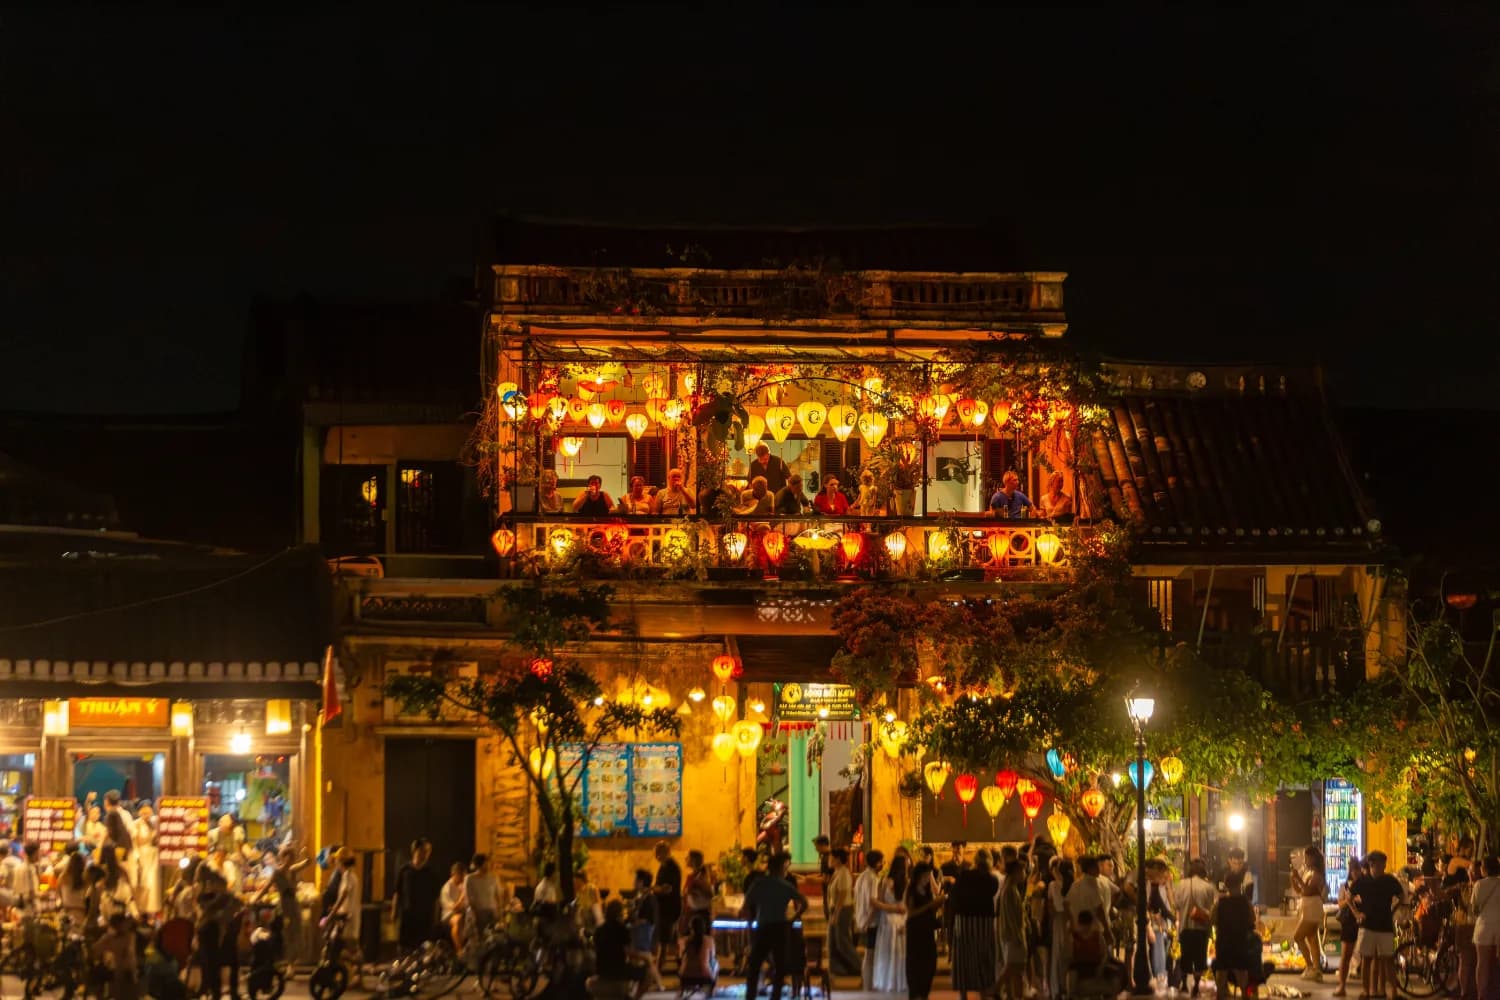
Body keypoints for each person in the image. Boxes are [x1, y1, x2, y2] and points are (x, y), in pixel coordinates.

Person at [739, 852, 807, 1000]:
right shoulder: (786, 885)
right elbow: (804, 903)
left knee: (755, 964)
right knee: (780, 966)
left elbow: (745, 907)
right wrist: (792, 919)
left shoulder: (759, 884)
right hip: (781, 928)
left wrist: (750, 926)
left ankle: (750, 995)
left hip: (763, 926)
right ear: (781, 868)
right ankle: (775, 996)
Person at [1352, 850, 1405, 1000]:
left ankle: (1393, 992)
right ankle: (1366, 991)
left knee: (1388, 960)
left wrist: (1393, 910)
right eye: (1380, 864)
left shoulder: (1389, 880)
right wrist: (1357, 913)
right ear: (1371, 864)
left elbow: (1401, 896)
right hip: (1368, 925)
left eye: (1383, 864)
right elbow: (1349, 897)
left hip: (1385, 925)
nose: (1383, 867)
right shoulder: (1363, 881)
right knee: (1366, 959)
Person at [951, 848, 998, 1000]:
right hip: (984, 922)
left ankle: (963, 994)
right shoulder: (992, 879)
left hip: (964, 921)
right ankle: (983, 993)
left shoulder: (964, 875)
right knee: (983, 958)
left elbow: (955, 895)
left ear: (975, 861)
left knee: (964, 959)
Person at [1173, 858, 1216, 997]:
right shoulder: (1208, 887)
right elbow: (1211, 908)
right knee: (1199, 959)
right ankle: (1196, 985)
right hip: (1201, 929)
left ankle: (1184, 984)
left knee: (1185, 956)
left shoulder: (1181, 884)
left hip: (1185, 928)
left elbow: (1176, 905)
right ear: (1204, 871)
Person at [391, 838, 442, 954]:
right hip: (407, 914)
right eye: (423, 851)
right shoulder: (405, 870)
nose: (426, 854)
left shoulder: (430, 872)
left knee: (423, 946)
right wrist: (394, 912)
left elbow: (436, 897)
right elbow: (397, 892)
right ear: (415, 850)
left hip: (425, 916)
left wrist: (436, 916)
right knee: (405, 946)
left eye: (428, 851)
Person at [905, 846, 942, 1000]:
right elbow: (911, 913)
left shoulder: (927, 891)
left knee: (930, 964)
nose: (927, 878)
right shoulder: (912, 891)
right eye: (926, 876)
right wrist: (929, 906)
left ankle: (924, 993)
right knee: (916, 966)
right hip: (915, 932)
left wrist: (938, 906)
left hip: (927, 931)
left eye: (929, 875)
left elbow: (930, 909)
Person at [589, 899, 644, 1000]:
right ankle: (636, 997)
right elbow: (629, 952)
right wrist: (644, 957)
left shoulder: (599, 930)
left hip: (602, 970)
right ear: (620, 913)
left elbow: (595, 949)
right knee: (647, 972)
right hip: (619, 970)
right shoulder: (621, 929)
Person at [1289, 845, 1328, 981]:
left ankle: (1310, 966)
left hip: (1312, 908)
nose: (1305, 860)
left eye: (1307, 857)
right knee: (1312, 939)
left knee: (1298, 937)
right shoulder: (1308, 872)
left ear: (1313, 858)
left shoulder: (1317, 874)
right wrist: (1293, 879)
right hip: (1306, 907)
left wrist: (1298, 879)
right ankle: (1316, 970)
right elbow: (1300, 891)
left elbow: (1308, 890)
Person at [1211, 888, 1259, 998]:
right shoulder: (1245, 902)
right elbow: (1252, 919)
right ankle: (1244, 995)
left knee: (1221, 976)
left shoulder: (1220, 902)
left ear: (1227, 886)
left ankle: (1221, 995)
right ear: (1239, 885)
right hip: (1240, 942)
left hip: (1223, 943)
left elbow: (1212, 919)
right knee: (1242, 976)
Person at [1332, 855, 1365, 997]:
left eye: (1357, 869)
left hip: (1363, 920)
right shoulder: (1345, 886)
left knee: (1366, 956)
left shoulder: (1365, 885)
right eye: (1352, 870)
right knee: (1346, 954)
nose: (1355, 873)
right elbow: (1340, 904)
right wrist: (1348, 900)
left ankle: (1366, 988)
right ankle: (1341, 985)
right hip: (1349, 921)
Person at [629, 869, 665, 994]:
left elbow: (648, 919)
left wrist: (632, 924)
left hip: (644, 934)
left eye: (636, 880)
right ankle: (655, 983)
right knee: (644, 960)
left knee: (646, 959)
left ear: (641, 881)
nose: (634, 882)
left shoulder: (649, 898)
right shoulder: (643, 897)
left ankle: (658, 983)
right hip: (642, 934)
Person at [1470, 855, 1500, 1000]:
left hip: (1484, 928)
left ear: (1485, 869)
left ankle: (1482, 996)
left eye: (1482, 866)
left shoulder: (1479, 885)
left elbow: (1474, 909)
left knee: (1482, 964)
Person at [855, 850, 886, 991]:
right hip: (871, 922)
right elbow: (873, 902)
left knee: (869, 954)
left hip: (862, 920)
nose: (883, 864)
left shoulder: (861, 877)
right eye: (881, 861)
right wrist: (868, 921)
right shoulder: (873, 879)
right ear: (877, 863)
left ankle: (866, 983)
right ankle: (869, 984)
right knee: (871, 955)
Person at [93, 912, 141, 1000]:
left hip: (125, 972)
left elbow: (131, 956)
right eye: (124, 923)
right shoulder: (111, 937)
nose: (126, 925)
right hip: (120, 972)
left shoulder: (129, 936)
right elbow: (96, 949)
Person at [998, 860, 1027, 1000]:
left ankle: (1012, 994)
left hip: (1011, 933)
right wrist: (1017, 935)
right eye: (1023, 871)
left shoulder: (1011, 888)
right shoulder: (1009, 890)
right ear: (1016, 872)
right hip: (1012, 934)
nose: (1024, 874)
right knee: (1014, 965)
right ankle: (996, 988)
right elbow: (1010, 916)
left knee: (1014, 966)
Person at [653, 841, 684, 962]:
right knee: (671, 937)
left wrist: (654, 889)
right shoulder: (664, 866)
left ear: (665, 852)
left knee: (665, 938)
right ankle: (679, 961)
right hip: (665, 907)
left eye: (658, 853)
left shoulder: (671, 867)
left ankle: (661, 964)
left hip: (669, 907)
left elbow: (667, 888)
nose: (656, 856)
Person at [677, 913, 719, 999]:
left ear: (690, 928)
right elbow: (712, 956)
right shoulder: (709, 940)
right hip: (704, 976)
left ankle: (682, 993)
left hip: (685, 976)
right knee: (715, 963)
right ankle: (711, 992)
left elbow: (680, 957)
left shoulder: (684, 940)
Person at [130, 804, 160, 917]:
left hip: (153, 855)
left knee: (152, 884)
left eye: (148, 812)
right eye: (144, 813)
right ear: (140, 812)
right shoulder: (136, 824)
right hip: (141, 855)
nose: (147, 815)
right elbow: (134, 842)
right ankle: (140, 908)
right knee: (143, 883)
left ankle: (151, 910)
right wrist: (136, 857)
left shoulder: (153, 823)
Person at [464, 853, 502, 937]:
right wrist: (474, 913)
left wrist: (499, 911)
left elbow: (498, 895)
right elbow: (469, 898)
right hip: (479, 912)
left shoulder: (494, 878)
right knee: (481, 936)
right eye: (486, 863)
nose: (489, 866)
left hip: (492, 911)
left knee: (495, 935)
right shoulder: (470, 879)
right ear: (480, 865)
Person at [681, 850, 714, 935]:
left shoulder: (702, 877)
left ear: (693, 860)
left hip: (699, 914)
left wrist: (695, 892)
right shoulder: (692, 876)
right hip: (690, 912)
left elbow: (709, 894)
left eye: (688, 858)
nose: (686, 859)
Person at [439, 862, 466, 953]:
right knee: (458, 919)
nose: (463, 878)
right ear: (454, 874)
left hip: (461, 912)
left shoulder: (462, 885)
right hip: (449, 915)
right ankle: (459, 950)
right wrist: (462, 897)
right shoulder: (447, 888)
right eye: (461, 875)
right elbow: (454, 908)